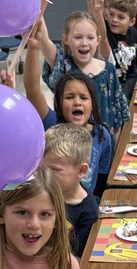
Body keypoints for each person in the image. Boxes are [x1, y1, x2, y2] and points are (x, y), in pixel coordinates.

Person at [16, 38, 112, 196]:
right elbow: (33, 90)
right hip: (50, 204)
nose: (77, 102)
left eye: (83, 97)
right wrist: (33, 47)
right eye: (69, 97)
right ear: (59, 104)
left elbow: (102, 180)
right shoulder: (52, 125)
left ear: (93, 104)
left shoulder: (102, 135)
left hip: (84, 206)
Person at [38, 10, 130, 136]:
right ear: (66, 39)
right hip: (70, 144)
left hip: (102, 144)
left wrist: (114, 150)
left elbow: (118, 116)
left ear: (98, 40)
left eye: (90, 37)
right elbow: (43, 40)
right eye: (78, 37)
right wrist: (40, 6)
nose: (84, 43)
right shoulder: (63, 66)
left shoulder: (108, 70)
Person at [42, 124, 98, 258]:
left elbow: (79, 258)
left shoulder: (89, 211)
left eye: (54, 170)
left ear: (81, 171)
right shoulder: (40, 195)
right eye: (41, 168)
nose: (44, 175)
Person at [97, 0, 137, 100]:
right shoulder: (105, 31)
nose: (114, 20)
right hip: (107, 84)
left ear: (132, 22)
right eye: (111, 14)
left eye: (121, 17)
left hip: (126, 84)